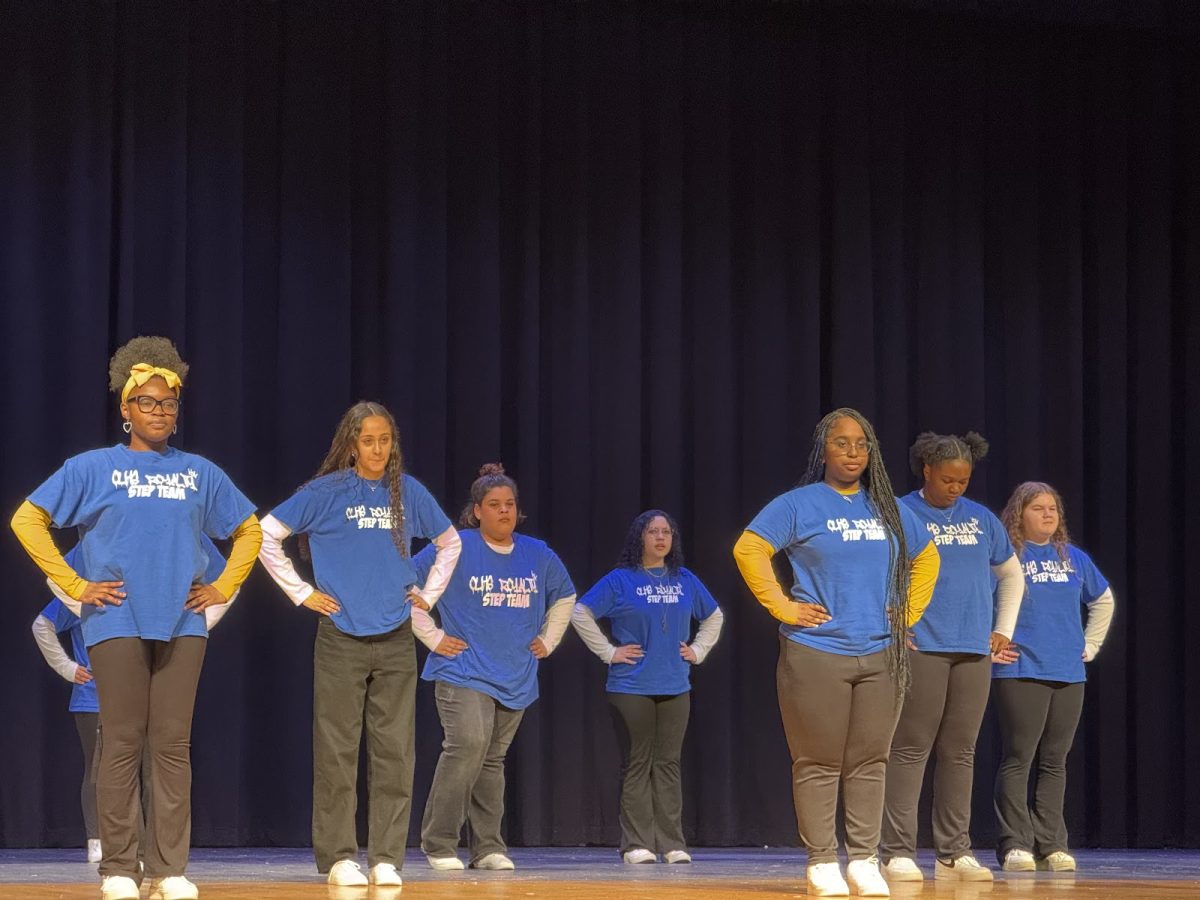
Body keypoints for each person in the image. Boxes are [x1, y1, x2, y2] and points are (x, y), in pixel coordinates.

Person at [11, 336, 262, 900]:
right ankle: (120, 867)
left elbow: (250, 530)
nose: (159, 412)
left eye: (168, 403)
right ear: (125, 409)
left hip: (183, 622)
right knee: (122, 741)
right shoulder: (93, 467)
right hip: (115, 620)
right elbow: (27, 520)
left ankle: (170, 867)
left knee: (172, 744)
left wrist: (223, 585)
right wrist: (75, 586)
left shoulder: (200, 473)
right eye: (146, 402)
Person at [732, 407, 940, 899]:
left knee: (872, 760)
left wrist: (906, 613)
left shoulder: (887, 507)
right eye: (842, 443)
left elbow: (927, 555)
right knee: (818, 761)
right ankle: (822, 859)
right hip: (816, 652)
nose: (852, 452)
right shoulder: (800, 504)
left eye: (862, 444)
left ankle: (864, 859)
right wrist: (782, 606)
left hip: (882, 654)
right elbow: (749, 548)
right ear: (823, 448)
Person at [257, 401, 461, 888]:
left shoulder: (407, 492)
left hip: (394, 635)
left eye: (384, 440)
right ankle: (340, 858)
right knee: (337, 750)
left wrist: (425, 597)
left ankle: (387, 856)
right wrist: (303, 593)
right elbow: (265, 534)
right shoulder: (325, 492)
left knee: (395, 751)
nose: (376, 449)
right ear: (351, 444)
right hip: (340, 636)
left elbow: (451, 542)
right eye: (367, 440)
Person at [33, 542, 242, 866]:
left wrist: (203, 622)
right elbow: (47, 605)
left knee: (156, 763)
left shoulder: (178, 548)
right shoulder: (100, 555)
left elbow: (231, 574)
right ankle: (104, 843)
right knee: (105, 765)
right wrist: (69, 666)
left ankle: (151, 850)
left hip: (153, 677)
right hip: (96, 693)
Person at [410, 464, 576, 871]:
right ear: (477, 511)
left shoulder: (538, 554)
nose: (504, 511)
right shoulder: (456, 547)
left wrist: (550, 638)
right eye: (494, 505)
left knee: (491, 760)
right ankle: (439, 842)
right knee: (466, 747)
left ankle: (487, 847)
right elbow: (406, 586)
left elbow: (565, 596)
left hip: (515, 673)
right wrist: (432, 636)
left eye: (510, 504)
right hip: (462, 670)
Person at [879, 432, 1025, 883]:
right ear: (926, 470)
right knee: (910, 747)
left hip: (972, 650)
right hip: (922, 645)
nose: (955, 488)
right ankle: (896, 850)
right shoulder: (901, 512)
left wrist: (1003, 630)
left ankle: (954, 851)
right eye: (947, 479)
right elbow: (877, 571)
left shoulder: (982, 520)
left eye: (963, 480)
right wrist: (893, 623)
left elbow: (1012, 575)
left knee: (960, 751)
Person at [572, 510, 724, 865]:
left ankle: (672, 843)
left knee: (668, 764)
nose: (660, 537)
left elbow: (714, 616)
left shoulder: (684, 578)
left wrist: (698, 650)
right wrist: (609, 652)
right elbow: (581, 613)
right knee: (639, 763)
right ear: (639, 537)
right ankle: (636, 844)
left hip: (675, 685)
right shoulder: (619, 580)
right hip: (631, 687)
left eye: (666, 532)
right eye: (653, 531)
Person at [991, 482, 1114, 874]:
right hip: (1022, 667)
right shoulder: (1006, 557)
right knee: (1019, 757)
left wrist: (1091, 645)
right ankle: (1016, 845)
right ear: (1018, 514)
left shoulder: (1073, 558)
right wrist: (990, 643)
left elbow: (1103, 600)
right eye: (1038, 508)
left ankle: (1052, 843)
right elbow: (977, 598)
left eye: (1053, 509)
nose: (1048, 514)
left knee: (1055, 761)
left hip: (1068, 672)